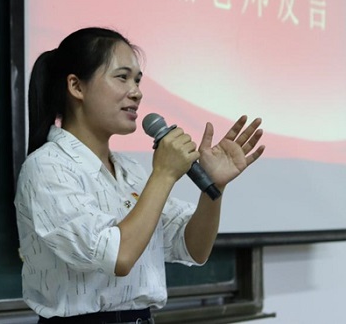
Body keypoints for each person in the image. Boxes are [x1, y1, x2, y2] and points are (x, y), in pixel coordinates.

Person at [14, 27, 266, 324]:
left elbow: (193, 247)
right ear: (76, 86)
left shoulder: (129, 169)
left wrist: (214, 189)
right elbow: (118, 256)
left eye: (137, 80)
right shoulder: (47, 167)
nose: (136, 92)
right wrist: (164, 174)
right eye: (122, 77)